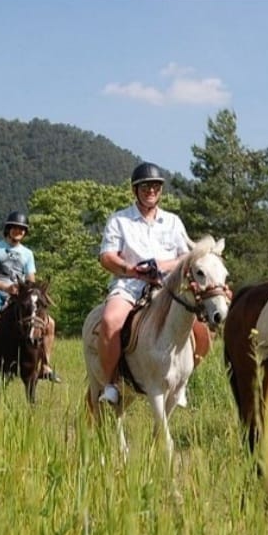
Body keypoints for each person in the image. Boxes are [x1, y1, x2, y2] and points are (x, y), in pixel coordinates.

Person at [96, 161, 212, 406]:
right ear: (135, 190)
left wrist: (163, 265)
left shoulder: (173, 222)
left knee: (202, 332)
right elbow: (107, 256)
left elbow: (187, 257)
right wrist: (131, 269)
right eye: (146, 186)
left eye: (156, 187)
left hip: (168, 287)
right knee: (110, 322)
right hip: (129, 285)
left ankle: (181, 383)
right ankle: (110, 384)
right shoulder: (119, 220)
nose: (151, 191)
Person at [0, 210, 61, 382]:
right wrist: (6, 287)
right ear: (8, 229)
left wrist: (31, 292)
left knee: (49, 324)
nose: (18, 231)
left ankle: (45, 365)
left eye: (21, 229)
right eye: (15, 228)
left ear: (25, 232)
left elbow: (31, 280)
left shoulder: (28, 254)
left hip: (21, 298)